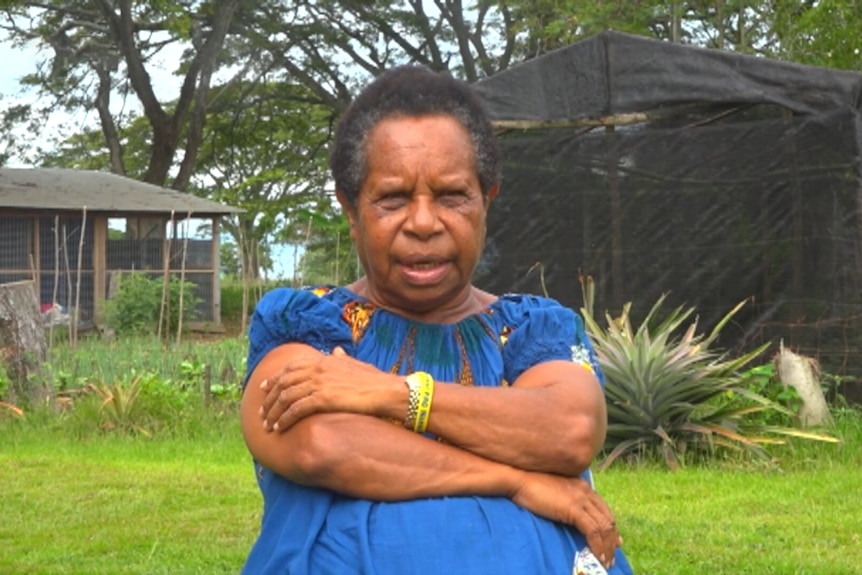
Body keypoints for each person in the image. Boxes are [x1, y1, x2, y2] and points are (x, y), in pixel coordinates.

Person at [240, 64, 634, 575]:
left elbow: (571, 428)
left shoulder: (530, 329)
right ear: (351, 208)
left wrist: (390, 394)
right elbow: (320, 445)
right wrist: (516, 480)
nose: (424, 223)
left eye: (451, 196)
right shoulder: (307, 324)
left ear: (486, 199)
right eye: (393, 199)